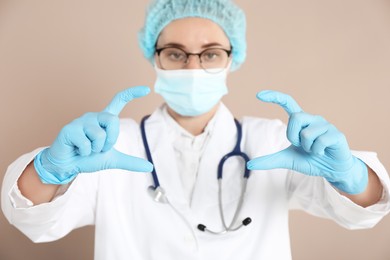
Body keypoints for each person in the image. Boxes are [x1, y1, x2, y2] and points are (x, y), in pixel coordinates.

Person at [2, 0, 390, 259]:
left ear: (230, 58)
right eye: (174, 53)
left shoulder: (274, 141)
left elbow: (360, 212)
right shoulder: (108, 145)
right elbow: (36, 221)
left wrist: (350, 176)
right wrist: (49, 169)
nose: (192, 68)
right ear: (154, 58)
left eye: (210, 54)